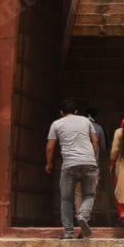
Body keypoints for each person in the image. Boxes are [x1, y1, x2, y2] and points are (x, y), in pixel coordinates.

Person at [46, 99, 99, 239]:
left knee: (66, 199)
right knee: (89, 195)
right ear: (76, 111)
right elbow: (95, 140)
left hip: (69, 164)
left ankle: (68, 232)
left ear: (61, 112)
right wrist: (94, 158)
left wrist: (49, 164)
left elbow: (50, 146)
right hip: (89, 162)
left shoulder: (56, 124)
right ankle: (83, 215)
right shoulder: (86, 121)